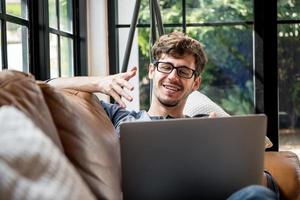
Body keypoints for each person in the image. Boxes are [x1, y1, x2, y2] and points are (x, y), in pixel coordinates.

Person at [48, 32, 279, 199]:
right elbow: (48, 87)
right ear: (152, 71)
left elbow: (269, 188)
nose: (173, 77)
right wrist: (100, 82)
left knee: (257, 194)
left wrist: (228, 155)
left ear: (195, 82)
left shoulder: (208, 128)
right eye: (166, 67)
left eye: (184, 71)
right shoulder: (121, 117)